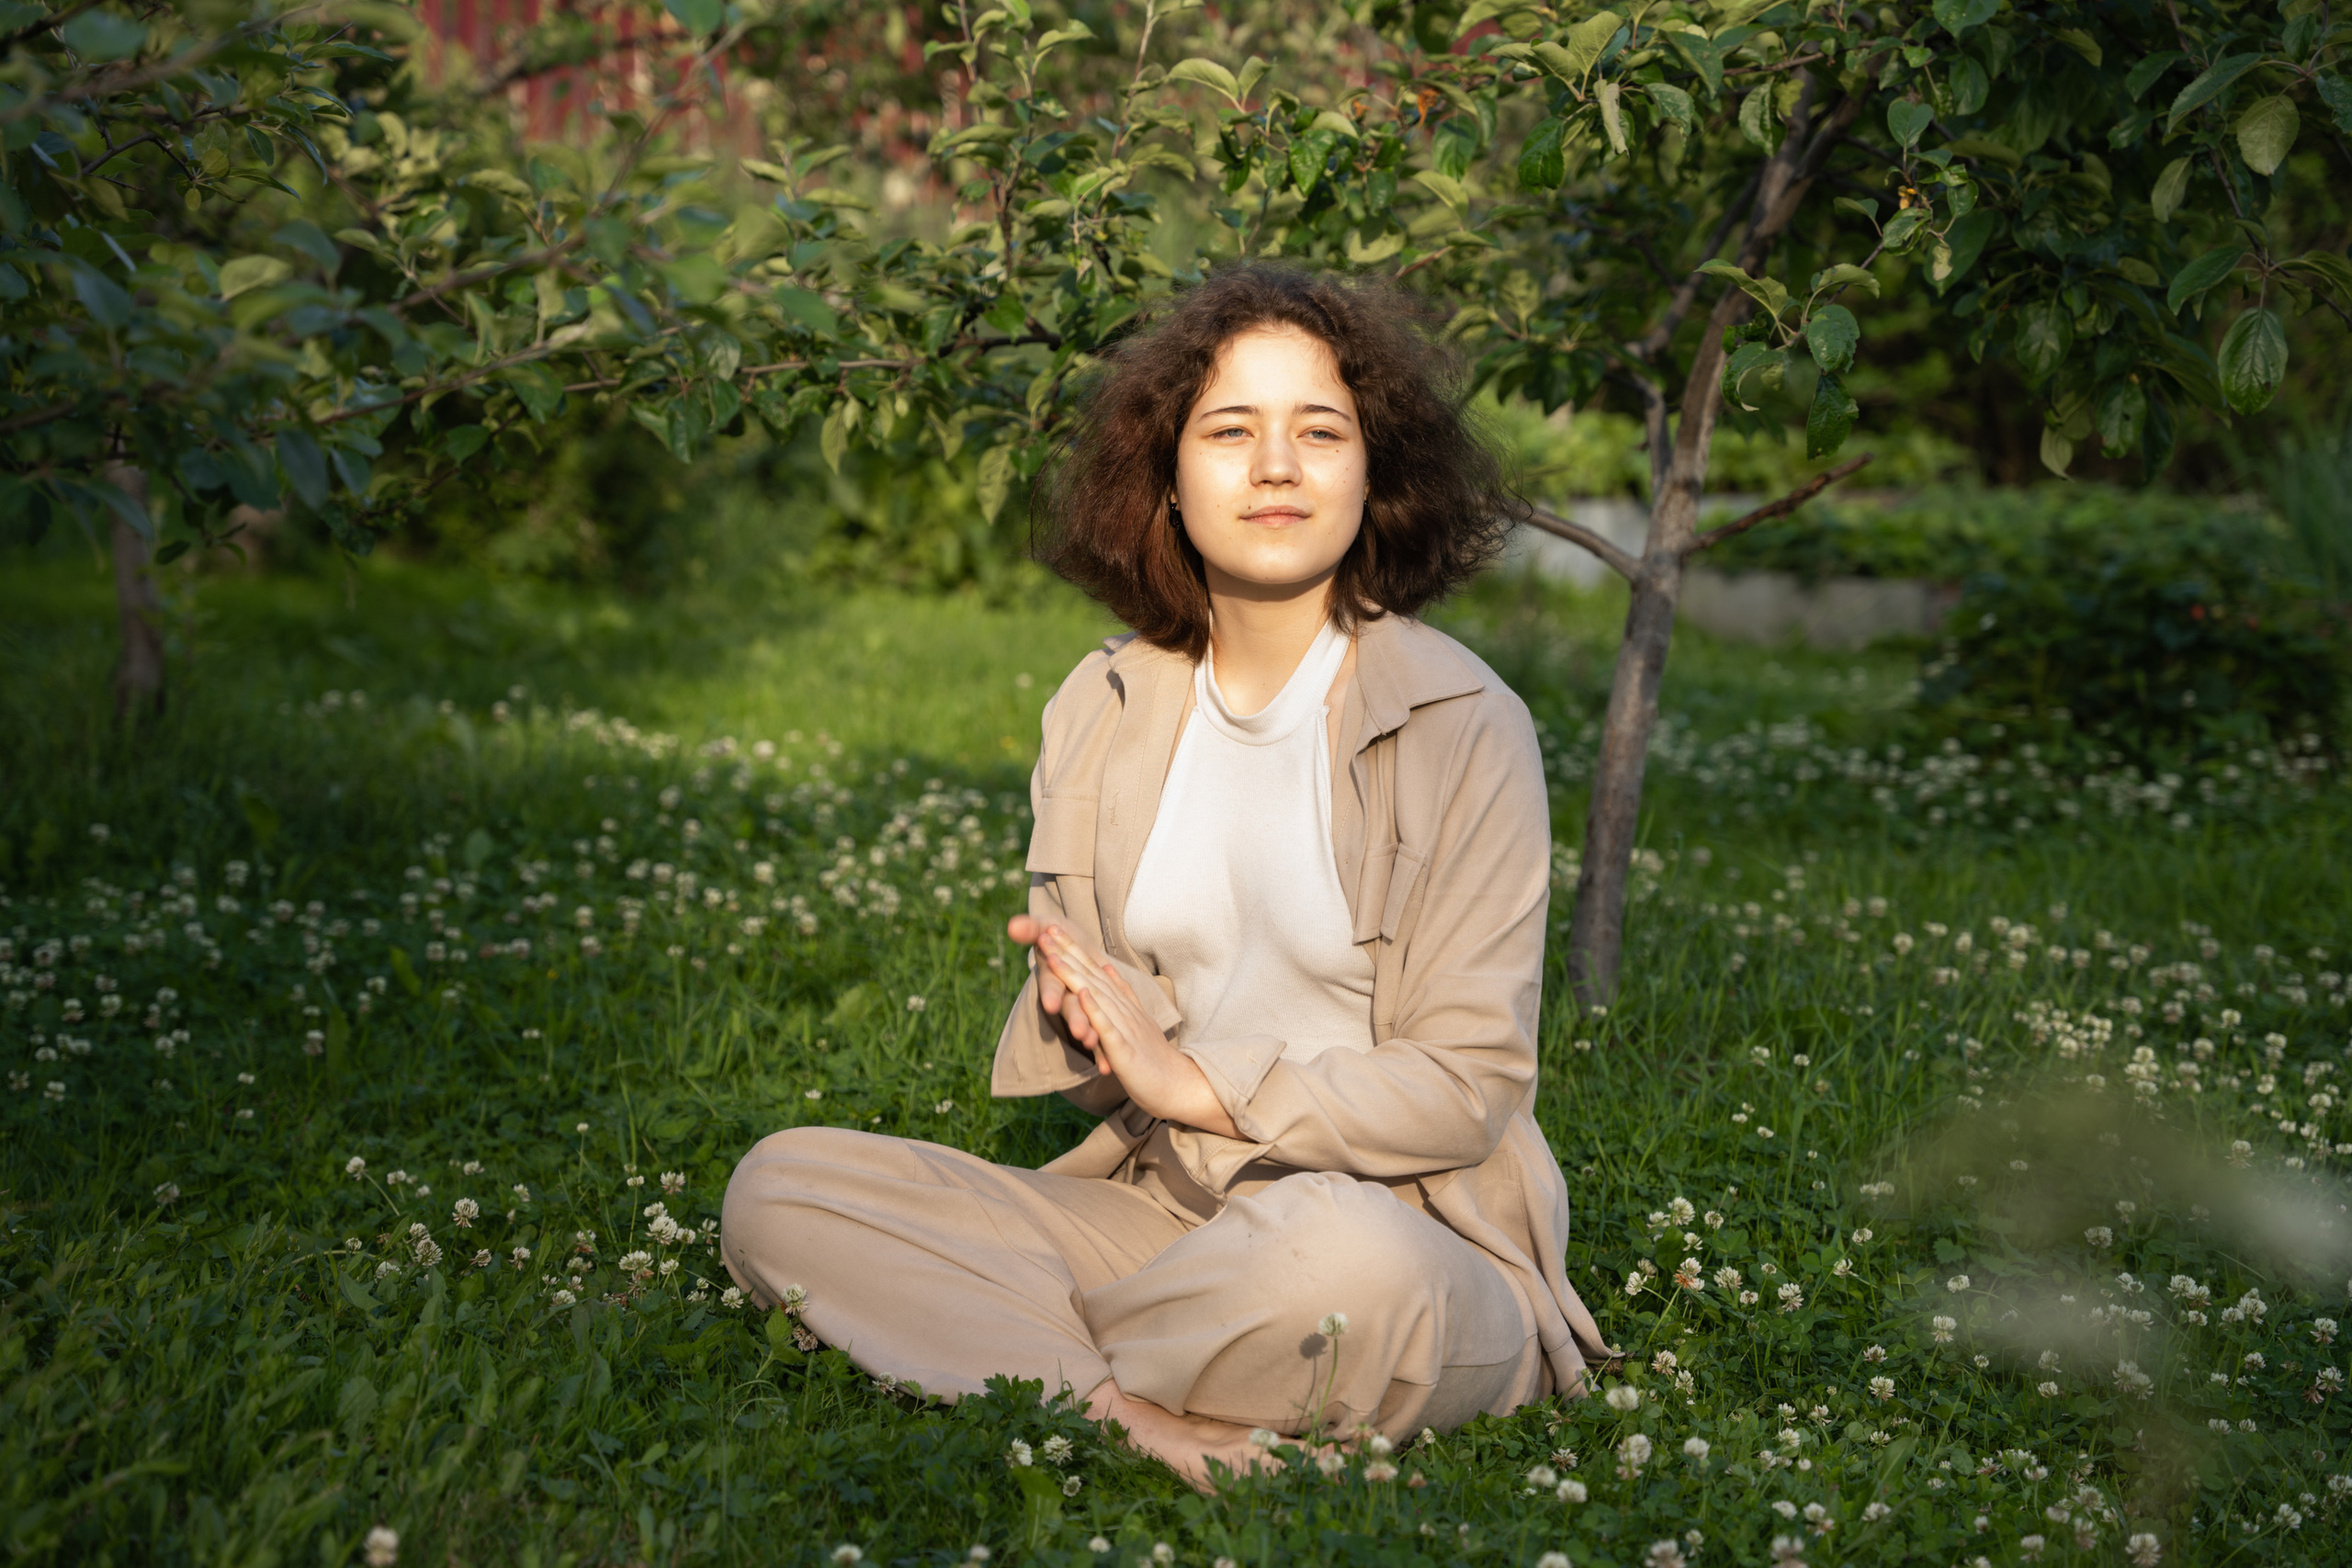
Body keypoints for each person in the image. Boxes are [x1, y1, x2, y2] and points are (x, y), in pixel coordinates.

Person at [720, 261, 1614, 1489]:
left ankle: (1016, 1349)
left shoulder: (1465, 722)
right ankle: (1133, 1407)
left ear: (1376, 473)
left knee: (1337, 1270)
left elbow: (1465, 1087)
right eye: (1230, 431)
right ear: (1169, 478)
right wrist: (1087, 1028)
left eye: (1321, 431)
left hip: (1401, 1227)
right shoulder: (1102, 705)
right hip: (1160, 1212)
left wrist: (1193, 1081)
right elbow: (1116, 1075)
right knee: (782, 1189)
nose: (1277, 466)